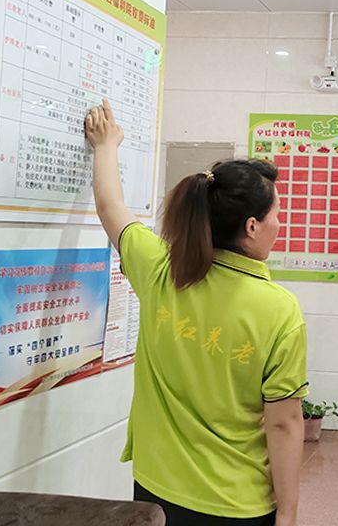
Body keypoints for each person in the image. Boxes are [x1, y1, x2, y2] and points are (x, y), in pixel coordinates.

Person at [85, 100, 308, 526]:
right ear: (251, 227)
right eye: (277, 213)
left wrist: (105, 146)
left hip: (155, 489)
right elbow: (284, 423)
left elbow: (110, 207)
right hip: (235, 502)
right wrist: (288, 511)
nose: (281, 222)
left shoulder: (160, 268)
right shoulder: (280, 310)